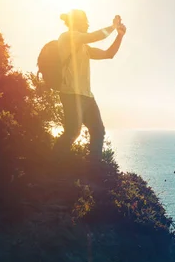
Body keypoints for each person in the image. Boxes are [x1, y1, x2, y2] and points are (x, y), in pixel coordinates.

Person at [53, 9, 127, 166]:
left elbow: (109, 54)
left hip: (87, 96)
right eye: (85, 22)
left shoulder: (84, 47)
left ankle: (93, 168)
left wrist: (120, 36)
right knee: (73, 132)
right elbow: (94, 37)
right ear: (76, 23)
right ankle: (55, 166)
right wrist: (113, 26)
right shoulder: (68, 37)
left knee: (98, 131)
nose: (87, 25)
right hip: (71, 93)